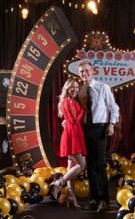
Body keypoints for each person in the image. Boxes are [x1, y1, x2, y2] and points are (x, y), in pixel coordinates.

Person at [77, 60, 119, 213]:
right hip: (85, 129)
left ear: (92, 71)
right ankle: (94, 198)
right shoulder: (81, 89)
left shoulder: (103, 87)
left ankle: (105, 201)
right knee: (90, 165)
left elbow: (113, 108)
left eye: (87, 70)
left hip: (99, 128)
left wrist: (112, 124)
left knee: (99, 165)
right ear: (79, 73)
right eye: (82, 72)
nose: (84, 73)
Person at [50, 78, 87, 208]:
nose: (75, 90)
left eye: (77, 87)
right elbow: (72, 120)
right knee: (82, 165)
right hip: (72, 136)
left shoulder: (71, 101)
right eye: (72, 87)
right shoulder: (67, 101)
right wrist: (83, 110)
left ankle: (71, 197)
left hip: (74, 134)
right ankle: (59, 183)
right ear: (67, 89)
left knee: (71, 168)